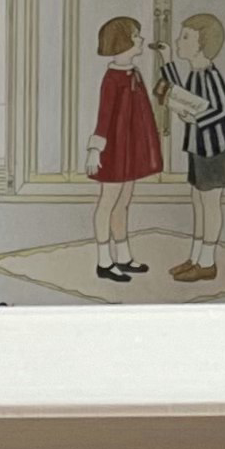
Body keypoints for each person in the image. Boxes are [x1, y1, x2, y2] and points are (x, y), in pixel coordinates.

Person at [158, 13, 225, 282]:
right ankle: (195, 258)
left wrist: (196, 118)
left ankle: (207, 263)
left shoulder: (210, 74)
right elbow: (181, 93)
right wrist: (167, 61)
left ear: (202, 44)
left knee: (209, 203)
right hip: (198, 147)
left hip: (214, 149)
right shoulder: (195, 72)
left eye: (185, 37)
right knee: (198, 202)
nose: (179, 41)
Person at [85, 16, 162, 283]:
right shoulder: (112, 79)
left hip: (129, 148)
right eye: (136, 35)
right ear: (123, 42)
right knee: (108, 203)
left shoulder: (133, 72)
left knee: (124, 203)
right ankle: (104, 261)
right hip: (114, 150)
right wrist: (95, 149)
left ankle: (123, 256)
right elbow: (104, 117)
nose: (141, 39)